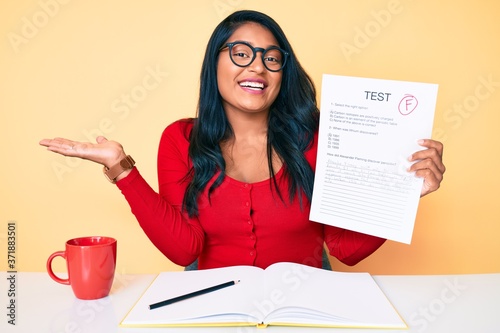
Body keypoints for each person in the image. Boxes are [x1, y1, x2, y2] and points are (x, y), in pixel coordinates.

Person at [39, 10, 445, 270]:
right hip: (211, 305)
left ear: (282, 72)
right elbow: (184, 250)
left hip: (306, 306)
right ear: (214, 62)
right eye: (240, 53)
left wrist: (403, 192)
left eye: (271, 57)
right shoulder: (180, 139)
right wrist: (120, 168)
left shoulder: (318, 137)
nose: (258, 66)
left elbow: (344, 247)